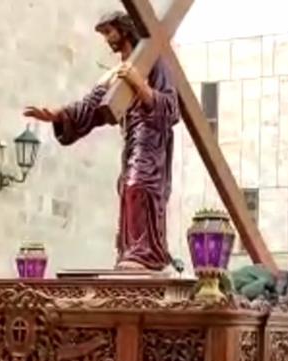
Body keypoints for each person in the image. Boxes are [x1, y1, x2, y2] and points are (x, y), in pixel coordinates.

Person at [23, 10, 180, 271]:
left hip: (152, 138)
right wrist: (58, 115)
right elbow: (90, 108)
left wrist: (139, 85)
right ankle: (133, 252)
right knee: (126, 190)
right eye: (104, 33)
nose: (107, 38)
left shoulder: (152, 61)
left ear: (125, 29)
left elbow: (171, 107)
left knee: (137, 186)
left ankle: (146, 255)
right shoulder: (112, 75)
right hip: (131, 138)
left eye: (109, 31)